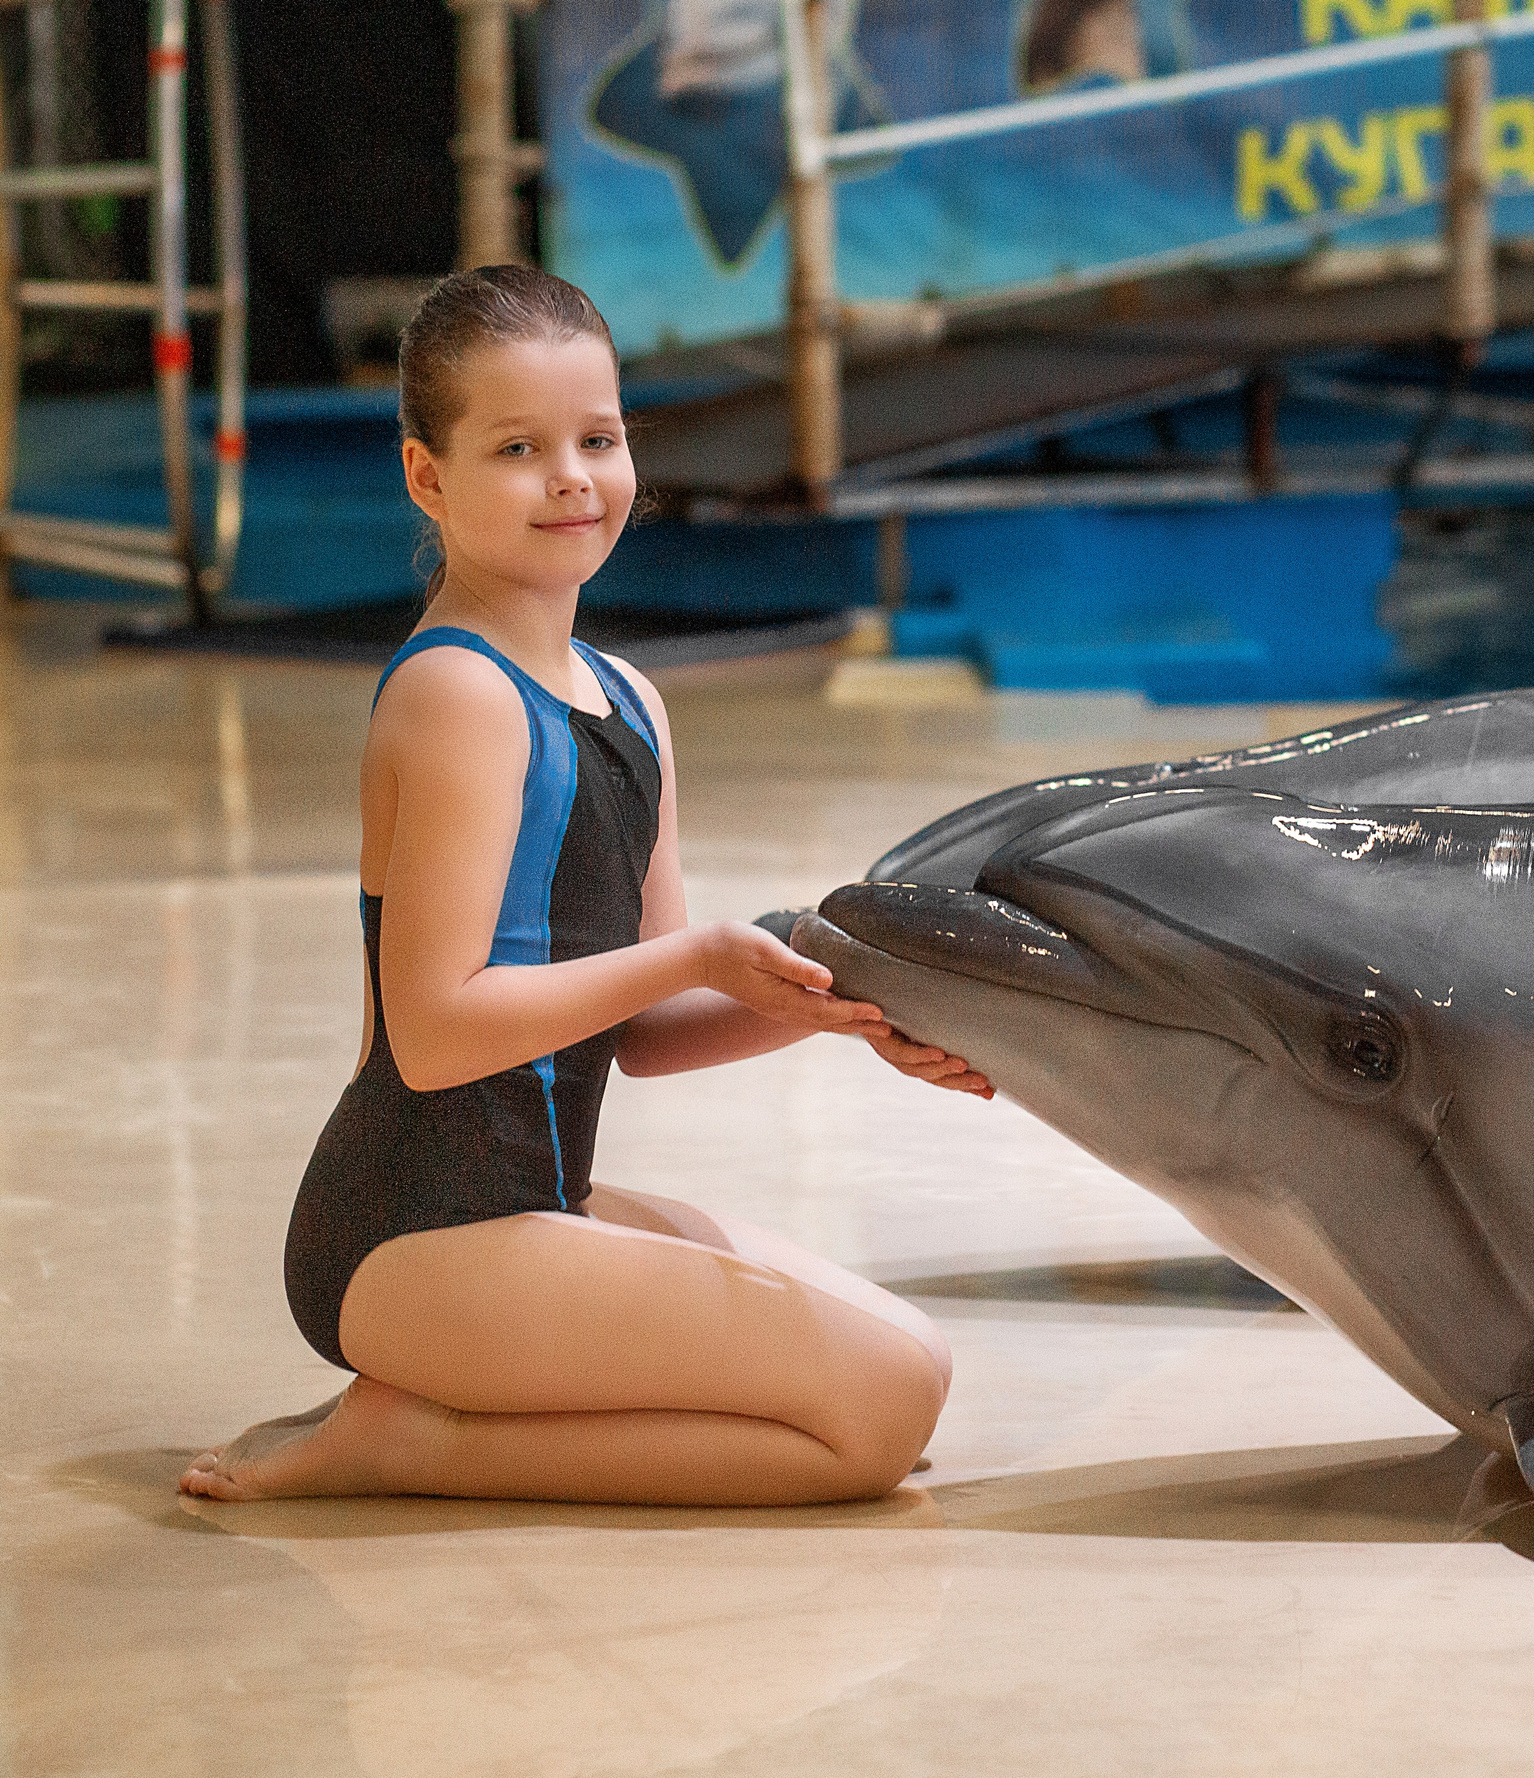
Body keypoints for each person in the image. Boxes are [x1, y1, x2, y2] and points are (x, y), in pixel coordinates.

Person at [181, 265, 984, 1506]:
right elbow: (436, 1033)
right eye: (518, 448)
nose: (571, 477)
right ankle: (406, 1440)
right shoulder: (456, 693)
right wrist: (701, 952)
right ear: (426, 477)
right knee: (874, 1418)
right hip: (416, 1229)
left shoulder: (629, 698)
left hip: (538, 1201)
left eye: (597, 439)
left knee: (915, 1364)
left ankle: (442, 1401)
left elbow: (647, 1034)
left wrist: (843, 1008)